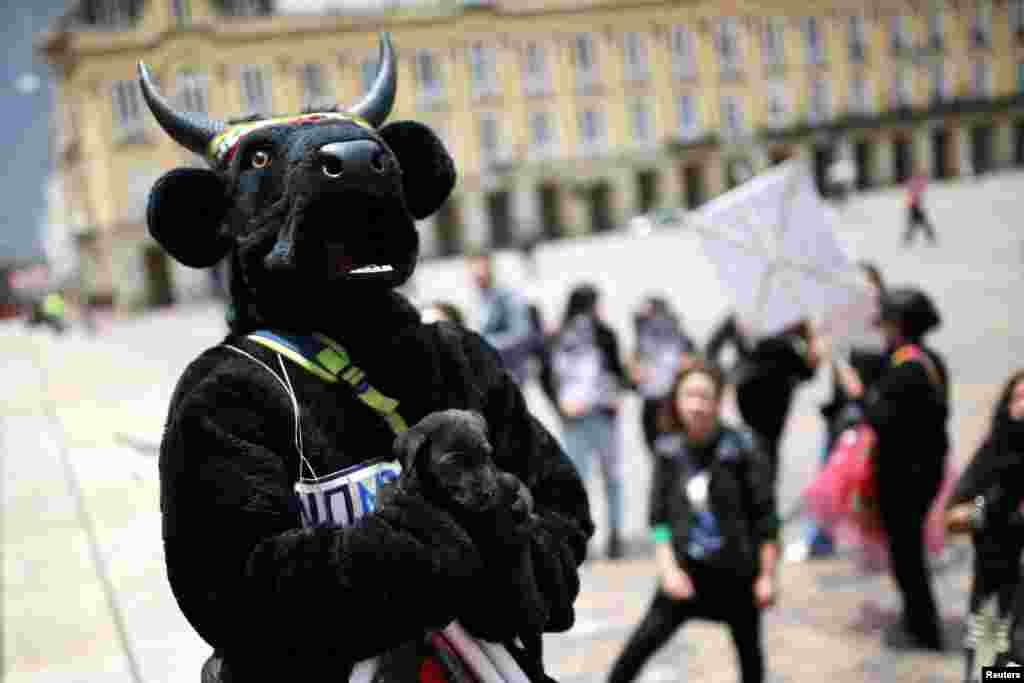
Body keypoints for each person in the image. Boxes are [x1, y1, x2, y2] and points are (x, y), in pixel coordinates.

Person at [139, 33, 592, 682]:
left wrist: (510, 551)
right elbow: (231, 594)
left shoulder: (458, 359)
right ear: (217, 220)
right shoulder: (230, 393)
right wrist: (423, 538)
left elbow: (562, 509)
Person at [607, 361, 779, 683]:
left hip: (737, 575)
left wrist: (767, 576)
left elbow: (766, 519)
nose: (696, 405)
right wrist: (668, 570)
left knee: (751, 661)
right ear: (676, 399)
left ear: (718, 400)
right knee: (633, 655)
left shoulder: (743, 448)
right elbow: (658, 520)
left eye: (704, 396)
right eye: (689, 395)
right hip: (687, 574)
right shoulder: (668, 451)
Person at [850, 287, 949, 651]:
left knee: (907, 556)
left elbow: (881, 419)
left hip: (907, 477)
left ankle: (923, 627)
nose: (882, 330)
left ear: (901, 325)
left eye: (887, 323)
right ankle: (917, 619)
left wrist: (859, 394)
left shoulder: (908, 368)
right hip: (922, 471)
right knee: (907, 552)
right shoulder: (927, 359)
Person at [794, 262, 889, 561]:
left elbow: (859, 387)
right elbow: (811, 366)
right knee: (830, 480)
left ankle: (869, 541)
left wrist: (838, 359)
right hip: (840, 416)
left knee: (863, 482)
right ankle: (821, 540)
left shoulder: (883, 331)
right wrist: (817, 342)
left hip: (869, 419)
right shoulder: (843, 326)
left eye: (866, 288)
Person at [946, 370, 1024, 679]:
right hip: (992, 586)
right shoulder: (994, 451)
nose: (1022, 404)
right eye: (1017, 397)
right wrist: (986, 509)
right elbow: (954, 514)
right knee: (988, 662)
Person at [548, 283, 631, 559]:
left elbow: (617, 372)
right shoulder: (559, 336)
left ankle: (615, 535)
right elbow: (548, 376)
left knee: (611, 477)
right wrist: (560, 407)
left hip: (602, 413)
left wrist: (617, 391)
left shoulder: (605, 334)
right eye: (595, 304)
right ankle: (580, 536)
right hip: (575, 418)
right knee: (578, 480)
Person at [730, 318, 821, 485]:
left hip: (752, 405)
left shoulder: (758, 339)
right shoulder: (786, 347)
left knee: (757, 449)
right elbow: (808, 373)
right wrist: (809, 341)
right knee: (766, 453)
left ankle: (757, 486)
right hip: (769, 410)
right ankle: (763, 489)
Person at [628, 296, 697, 457]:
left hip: (673, 401)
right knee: (655, 452)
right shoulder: (643, 341)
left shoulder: (680, 339)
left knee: (678, 451)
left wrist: (686, 367)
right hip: (651, 402)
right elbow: (632, 377)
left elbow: (693, 363)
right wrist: (635, 375)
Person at [470, 251, 538, 385]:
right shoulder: (478, 299)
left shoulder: (507, 297)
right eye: (473, 271)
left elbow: (521, 333)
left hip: (510, 371)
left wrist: (484, 344)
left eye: (481, 270)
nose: (478, 275)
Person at [904, 169, 937, 246]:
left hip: (914, 205)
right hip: (914, 206)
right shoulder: (914, 182)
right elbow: (916, 191)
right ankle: (930, 236)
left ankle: (909, 238)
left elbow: (920, 188)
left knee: (915, 223)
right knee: (921, 222)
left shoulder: (913, 182)